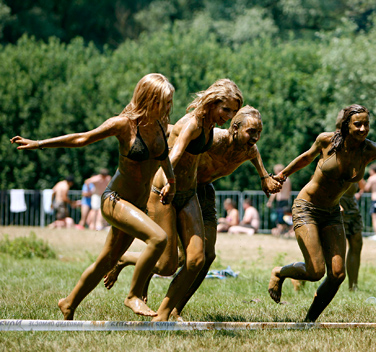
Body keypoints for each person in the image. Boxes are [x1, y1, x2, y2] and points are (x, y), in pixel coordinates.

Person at [12, 73, 176, 320]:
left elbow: (163, 157)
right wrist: (39, 143)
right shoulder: (123, 124)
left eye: (169, 102)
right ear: (149, 98)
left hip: (138, 205)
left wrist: (171, 181)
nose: (168, 107)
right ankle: (132, 295)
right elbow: (82, 138)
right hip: (116, 200)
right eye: (164, 101)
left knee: (105, 263)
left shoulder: (161, 126)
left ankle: (68, 303)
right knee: (158, 238)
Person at [102, 79, 244, 321]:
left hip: (188, 194)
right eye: (226, 110)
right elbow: (175, 155)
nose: (229, 117)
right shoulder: (193, 124)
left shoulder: (210, 125)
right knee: (166, 266)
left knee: (197, 259)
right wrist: (169, 183)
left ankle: (164, 314)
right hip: (164, 193)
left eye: (233, 112)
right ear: (213, 102)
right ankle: (125, 258)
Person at [268, 104, 376, 321]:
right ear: (346, 125)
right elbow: (306, 158)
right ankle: (279, 272)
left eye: (366, 124)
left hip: (332, 212)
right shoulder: (326, 140)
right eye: (358, 124)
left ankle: (309, 322)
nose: (363, 129)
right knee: (315, 271)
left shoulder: (370, 150)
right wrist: (281, 176)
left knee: (338, 274)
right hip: (307, 207)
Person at [173, 106, 280, 317]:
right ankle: (129, 264)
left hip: (205, 193)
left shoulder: (250, 150)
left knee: (207, 256)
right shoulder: (213, 139)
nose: (256, 137)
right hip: (183, 191)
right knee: (174, 260)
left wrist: (267, 180)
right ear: (234, 127)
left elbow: (261, 169)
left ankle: (176, 308)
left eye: (259, 132)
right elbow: (177, 134)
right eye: (251, 132)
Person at [340, 181, 365, 291]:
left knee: (357, 244)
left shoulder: (357, 165)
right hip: (337, 205)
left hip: (352, 206)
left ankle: (353, 286)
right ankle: (302, 274)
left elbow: (362, 185)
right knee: (334, 248)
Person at [267, 164, 292, 236]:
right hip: (286, 200)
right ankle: (285, 232)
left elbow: (275, 191)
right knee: (286, 218)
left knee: (280, 219)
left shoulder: (280, 178)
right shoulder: (288, 179)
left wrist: (270, 201)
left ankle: (280, 233)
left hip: (281, 201)